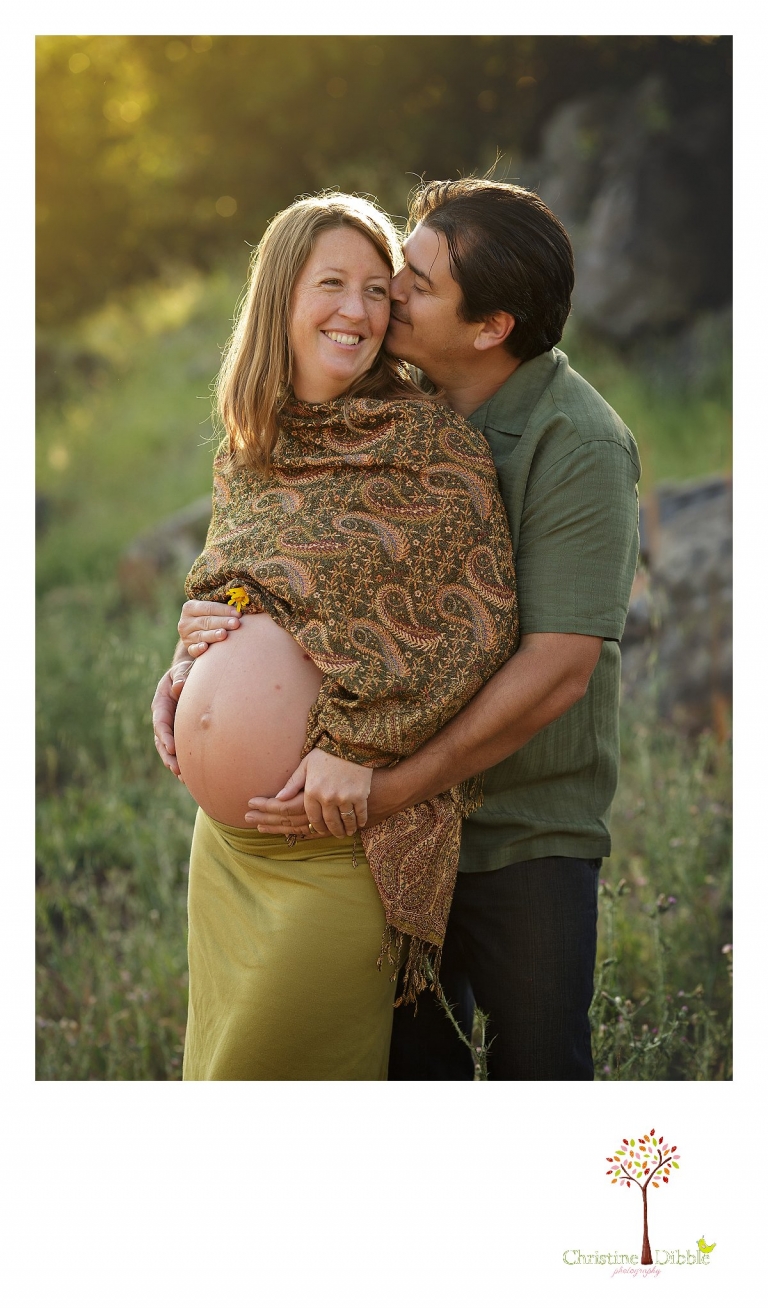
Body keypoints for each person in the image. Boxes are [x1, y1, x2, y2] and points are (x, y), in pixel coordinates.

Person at [163, 178, 641, 1081]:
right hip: (369, 832)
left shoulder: (576, 443)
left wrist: (385, 783)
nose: (385, 299)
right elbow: (292, 570)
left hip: (516, 833)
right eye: (390, 275)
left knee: (540, 1071)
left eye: (409, 284)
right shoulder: (375, 397)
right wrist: (198, 654)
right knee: (413, 1080)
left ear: (490, 327)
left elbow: (555, 668)